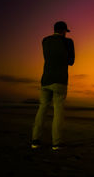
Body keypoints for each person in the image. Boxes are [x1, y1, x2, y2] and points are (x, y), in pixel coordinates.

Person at [31, 21, 75, 150]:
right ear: (63, 31)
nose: (66, 34)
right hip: (60, 80)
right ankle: (56, 143)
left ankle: (35, 140)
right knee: (58, 112)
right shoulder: (68, 42)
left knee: (42, 109)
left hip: (46, 79)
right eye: (66, 31)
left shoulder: (45, 41)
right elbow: (71, 62)